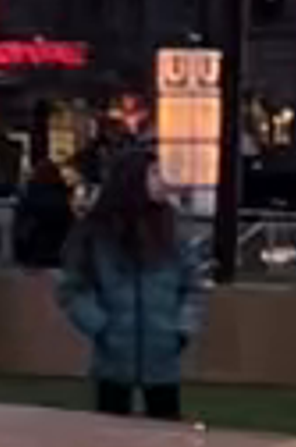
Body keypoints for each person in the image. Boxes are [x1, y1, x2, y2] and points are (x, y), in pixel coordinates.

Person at [59, 143, 205, 420]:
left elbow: (193, 286)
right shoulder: (96, 233)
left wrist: (182, 329)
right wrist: (100, 326)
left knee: (166, 433)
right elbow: (73, 288)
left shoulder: (175, 230)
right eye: (154, 173)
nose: (162, 181)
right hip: (113, 355)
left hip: (163, 355)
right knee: (110, 434)